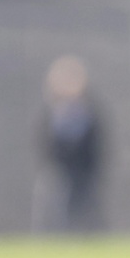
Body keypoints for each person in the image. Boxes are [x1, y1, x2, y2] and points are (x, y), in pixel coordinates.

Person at [34, 55, 107, 234]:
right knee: (57, 208)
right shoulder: (52, 113)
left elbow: (97, 143)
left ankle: (90, 238)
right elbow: (44, 141)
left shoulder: (89, 111)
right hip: (60, 169)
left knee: (88, 208)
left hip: (84, 170)